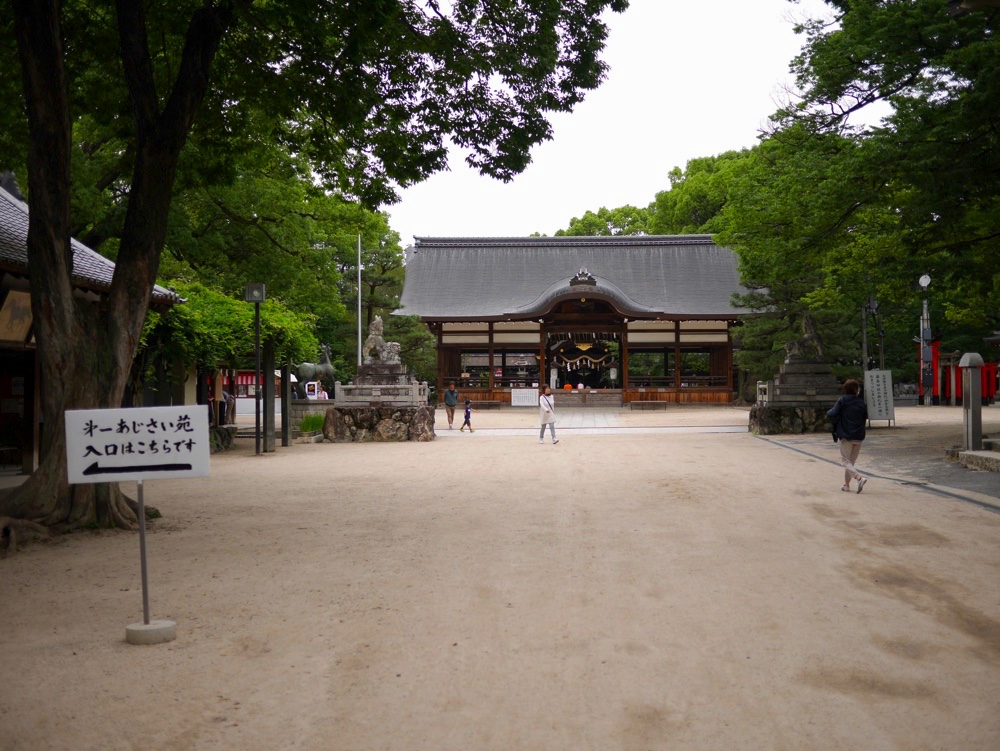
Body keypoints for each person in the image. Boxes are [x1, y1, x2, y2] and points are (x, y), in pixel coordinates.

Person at [827, 378, 869, 493]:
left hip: (847, 435)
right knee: (851, 462)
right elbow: (865, 416)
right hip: (859, 435)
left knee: (845, 461)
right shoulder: (861, 402)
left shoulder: (842, 401)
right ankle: (846, 485)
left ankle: (859, 478)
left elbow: (832, 414)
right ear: (856, 389)